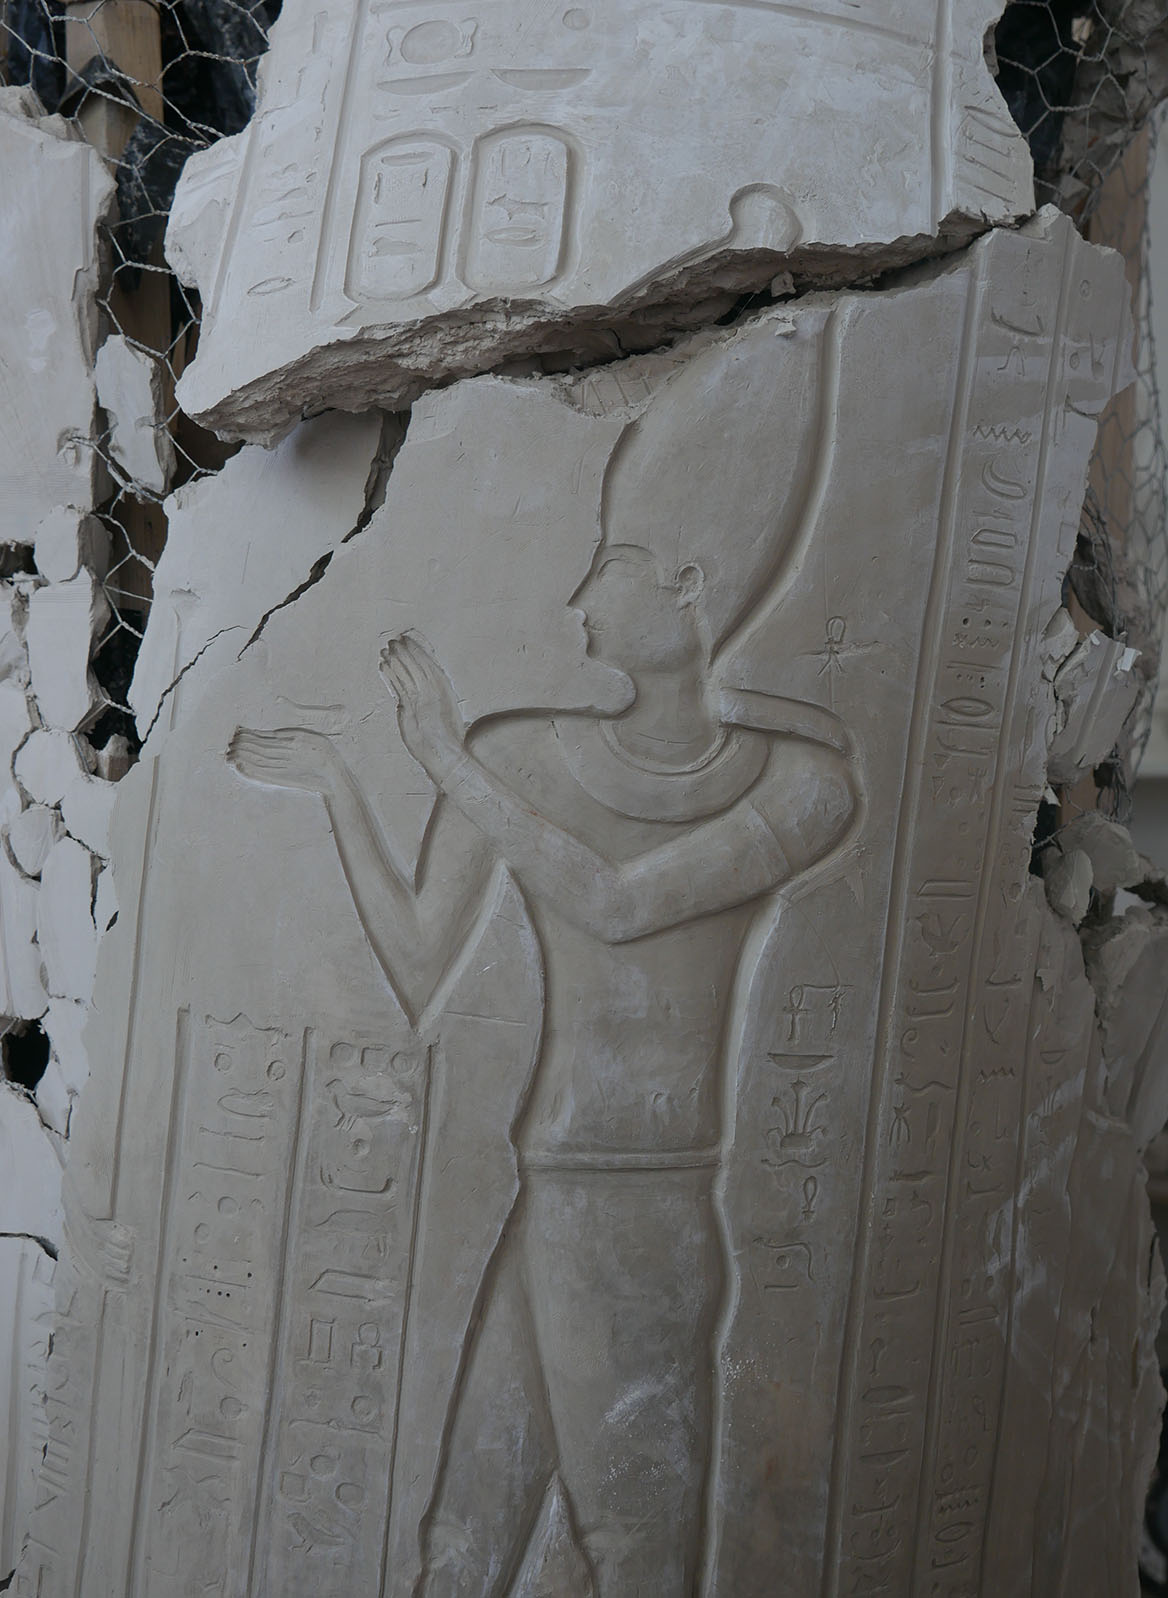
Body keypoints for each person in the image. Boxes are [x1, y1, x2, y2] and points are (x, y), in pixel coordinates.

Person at [228, 319, 859, 1594]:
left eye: (611, 564)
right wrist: (347, 788)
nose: (579, 599)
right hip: (550, 1186)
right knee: (464, 1536)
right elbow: (419, 962)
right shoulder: (529, 753)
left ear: (688, 584)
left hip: (644, 1203)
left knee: (634, 1546)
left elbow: (620, 902)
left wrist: (446, 761)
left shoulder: (801, 785)